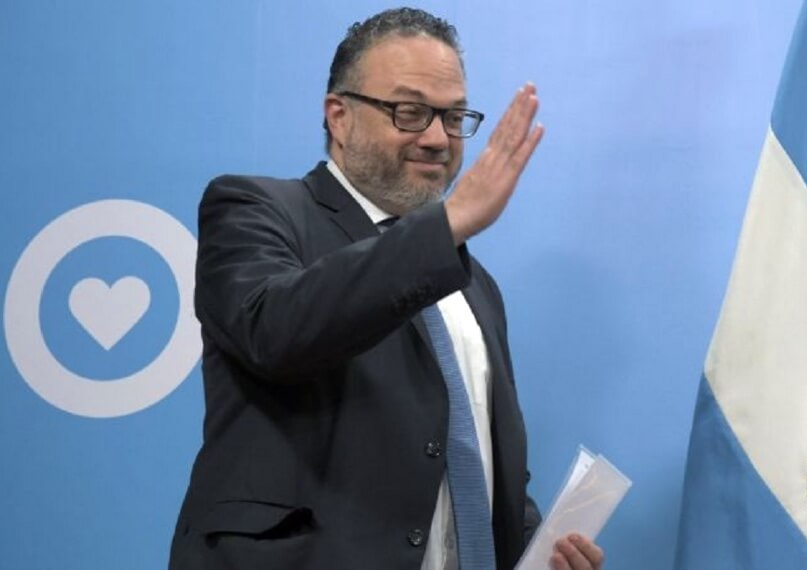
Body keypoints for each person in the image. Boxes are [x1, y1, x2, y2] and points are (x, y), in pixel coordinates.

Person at [169, 7, 604, 570]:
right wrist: (448, 224)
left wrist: (536, 552)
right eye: (410, 112)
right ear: (339, 116)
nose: (437, 138)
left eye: (453, 117)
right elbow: (274, 331)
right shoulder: (255, 209)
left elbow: (468, 462)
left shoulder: (476, 286)